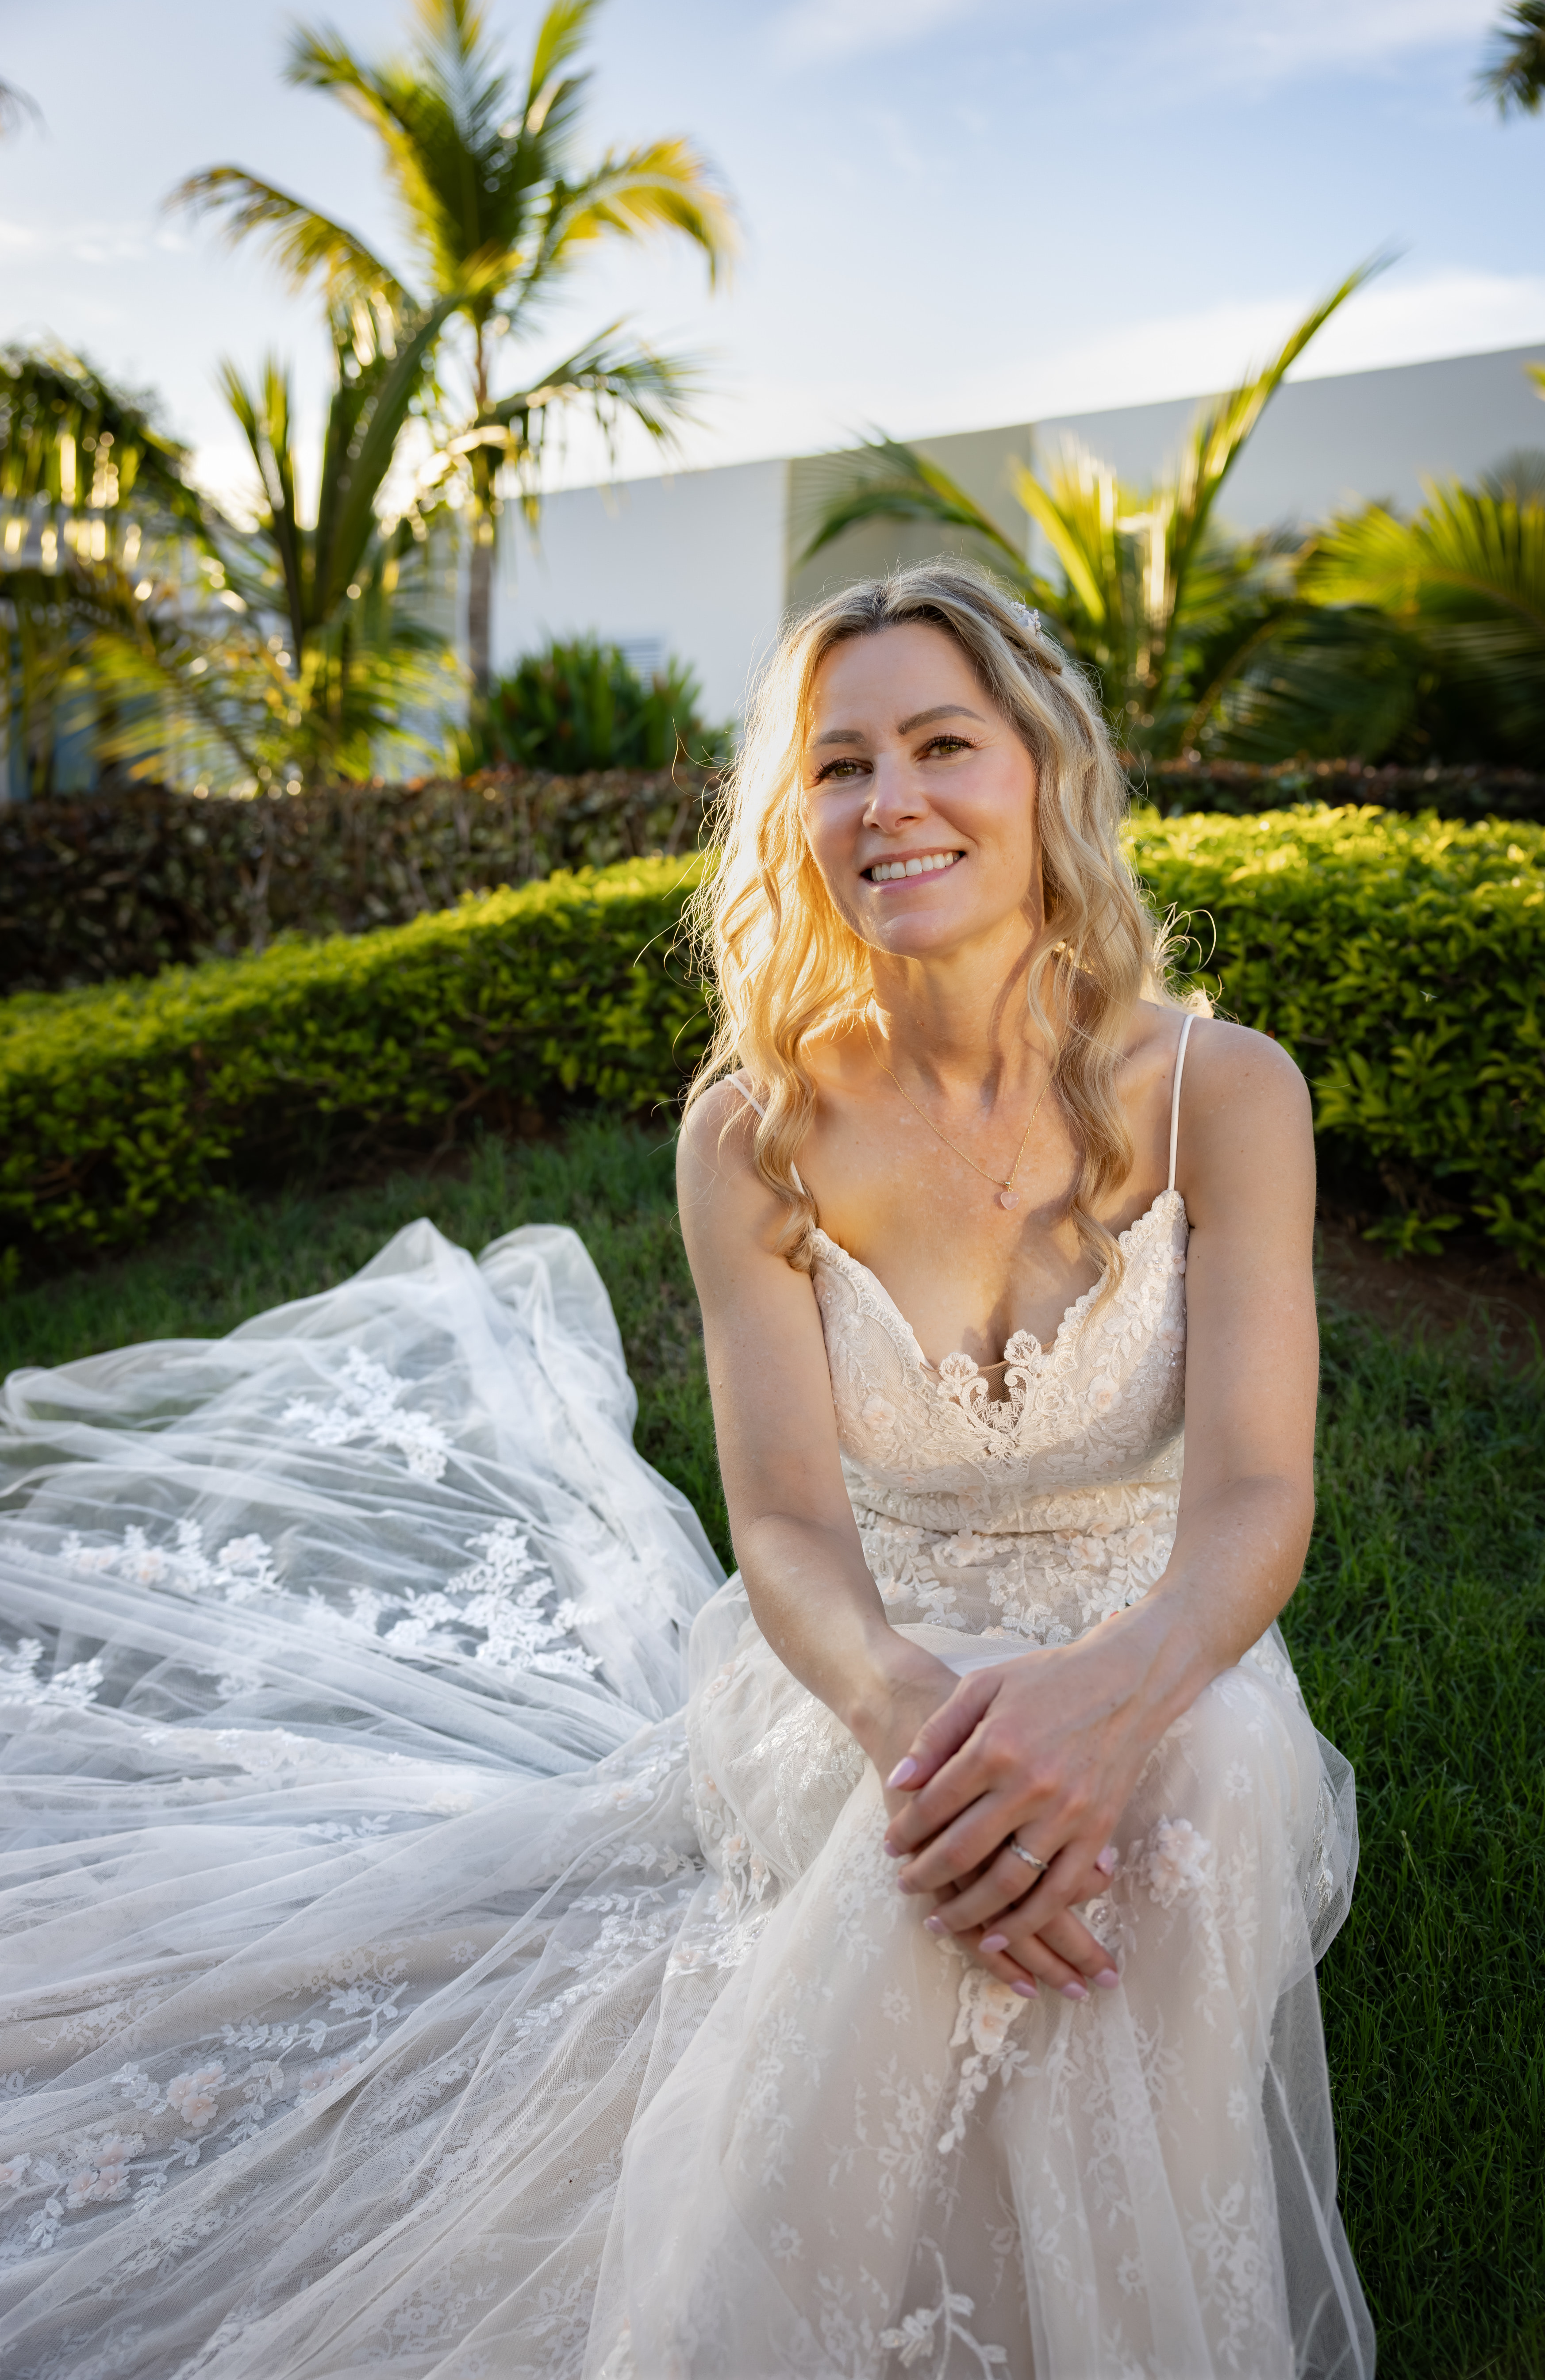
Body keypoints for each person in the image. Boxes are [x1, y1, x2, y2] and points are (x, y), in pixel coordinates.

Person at [0, 561, 1372, 2379]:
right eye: (839, 765)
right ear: (793, 817)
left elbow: (1257, 1500)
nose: (889, 802)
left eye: (942, 744)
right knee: (923, 1873)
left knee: (1191, 1805)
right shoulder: (753, 1137)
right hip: (863, 1649)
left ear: (1043, 767)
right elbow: (787, 1524)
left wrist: (1110, 1706)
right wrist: (918, 1730)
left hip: (1158, 1623)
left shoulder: (1226, 1092)